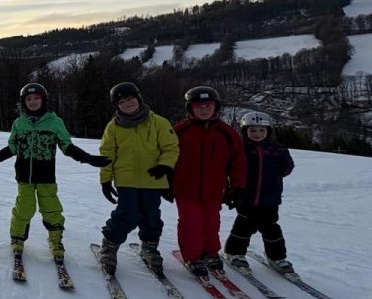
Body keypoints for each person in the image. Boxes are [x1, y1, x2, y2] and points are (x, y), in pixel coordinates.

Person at [0, 82, 110, 265]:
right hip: (24, 178)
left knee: (52, 210)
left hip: (46, 177)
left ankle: (56, 241)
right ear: (23, 102)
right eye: (28, 99)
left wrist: (89, 158)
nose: (33, 101)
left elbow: (67, 147)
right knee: (23, 209)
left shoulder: (55, 122)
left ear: (43, 100)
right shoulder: (19, 123)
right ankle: (17, 239)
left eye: (36, 98)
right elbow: (12, 147)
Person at [96, 82, 179, 271]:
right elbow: (107, 154)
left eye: (130, 99)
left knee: (151, 216)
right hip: (126, 180)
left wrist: (165, 166)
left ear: (138, 98)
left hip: (153, 179)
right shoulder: (114, 127)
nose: (127, 104)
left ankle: (149, 247)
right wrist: (105, 180)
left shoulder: (159, 122)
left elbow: (170, 147)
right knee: (127, 214)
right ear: (117, 106)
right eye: (121, 102)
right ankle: (109, 245)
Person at [171, 85, 247, 277]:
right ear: (190, 108)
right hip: (185, 189)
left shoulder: (226, 133)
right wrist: (165, 183)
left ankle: (210, 252)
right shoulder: (179, 131)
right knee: (191, 222)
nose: (204, 110)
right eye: (199, 106)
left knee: (212, 222)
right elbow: (166, 158)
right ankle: (193, 256)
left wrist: (237, 187)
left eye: (208, 106)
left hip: (214, 189)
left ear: (215, 107)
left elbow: (238, 162)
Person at [223, 111, 295, 271]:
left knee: (271, 228)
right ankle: (234, 253)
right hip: (246, 197)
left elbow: (287, 167)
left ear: (268, 131)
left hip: (270, 198)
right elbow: (230, 167)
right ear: (245, 131)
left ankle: (277, 257)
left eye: (262, 130)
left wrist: (273, 178)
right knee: (243, 226)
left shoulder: (278, 149)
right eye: (253, 130)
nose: (257, 134)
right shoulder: (240, 149)